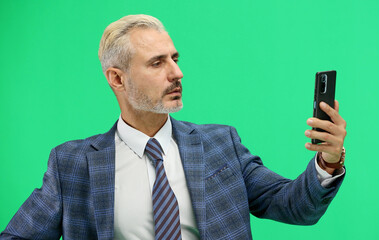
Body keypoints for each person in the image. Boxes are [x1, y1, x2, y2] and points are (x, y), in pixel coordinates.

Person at [0, 14, 347, 240]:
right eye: (157, 63)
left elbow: (293, 205)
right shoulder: (72, 164)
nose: (176, 73)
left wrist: (328, 160)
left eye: (175, 58)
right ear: (117, 79)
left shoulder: (220, 143)